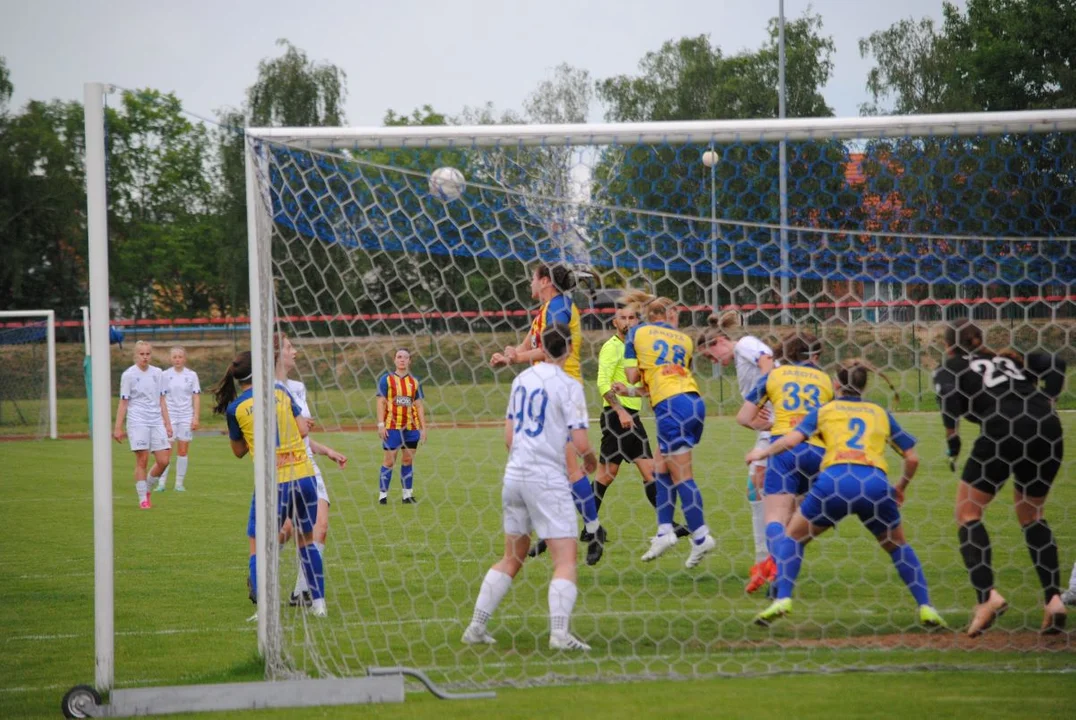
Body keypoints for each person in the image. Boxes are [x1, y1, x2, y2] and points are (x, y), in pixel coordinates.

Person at [747, 360, 947, 630]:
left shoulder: (824, 410)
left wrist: (762, 452)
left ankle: (782, 598)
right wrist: (900, 487)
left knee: (793, 538)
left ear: (836, 384)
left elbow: (790, 440)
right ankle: (926, 607)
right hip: (874, 483)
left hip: (834, 482)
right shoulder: (879, 413)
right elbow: (912, 459)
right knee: (898, 546)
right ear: (865, 385)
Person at [462, 323, 596, 650]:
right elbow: (579, 440)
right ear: (569, 349)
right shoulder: (569, 385)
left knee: (512, 556)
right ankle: (560, 634)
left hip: (515, 475)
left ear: (541, 346)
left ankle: (476, 627)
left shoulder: (521, 380)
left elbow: (508, 437)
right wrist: (590, 460)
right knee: (565, 559)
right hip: (546, 479)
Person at [934, 318, 1067, 636]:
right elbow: (1055, 362)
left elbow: (949, 399)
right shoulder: (1007, 358)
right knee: (1032, 513)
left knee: (968, 512)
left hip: (1002, 426)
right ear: (979, 338)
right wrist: (1049, 396)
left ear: (947, 344)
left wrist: (952, 439)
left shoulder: (950, 366)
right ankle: (1054, 601)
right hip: (1046, 425)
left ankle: (987, 597)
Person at [490, 263, 603, 563]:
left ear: (544, 282)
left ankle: (593, 529)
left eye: (532, 278)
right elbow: (527, 345)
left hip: (562, 389)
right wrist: (509, 356)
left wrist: (519, 356)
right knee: (540, 460)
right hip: (542, 390)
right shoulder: (544, 311)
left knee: (566, 464)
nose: (529, 284)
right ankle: (562, 528)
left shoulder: (560, 308)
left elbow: (551, 350)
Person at [212, 350, 327, 617]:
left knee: (259, 545)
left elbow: (238, 451)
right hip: (304, 474)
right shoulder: (281, 392)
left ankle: (264, 609)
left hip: (273, 482)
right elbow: (302, 430)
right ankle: (319, 604)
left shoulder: (236, 408)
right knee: (307, 540)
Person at [612, 291, 716, 568]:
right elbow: (661, 379)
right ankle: (664, 531)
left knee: (683, 475)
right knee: (660, 466)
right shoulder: (684, 339)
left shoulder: (637, 333)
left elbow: (635, 374)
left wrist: (628, 362)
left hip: (671, 409)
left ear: (647, 315)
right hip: (692, 403)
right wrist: (630, 391)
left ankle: (701, 535)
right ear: (669, 316)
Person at [736, 331, 832, 585]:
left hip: (783, 453)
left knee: (775, 520)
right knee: (797, 523)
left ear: (785, 354)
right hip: (817, 452)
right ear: (816, 356)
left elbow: (744, 418)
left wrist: (772, 426)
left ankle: (778, 573)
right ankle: (781, 573)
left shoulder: (773, 376)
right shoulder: (825, 380)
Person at [697, 311, 776, 593]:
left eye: (710, 355)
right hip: (769, 433)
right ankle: (766, 562)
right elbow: (750, 415)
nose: (713, 361)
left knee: (763, 491)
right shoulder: (741, 360)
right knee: (759, 491)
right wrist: (755, 420)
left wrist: (768, 389)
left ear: (719, 341)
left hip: (780, 431)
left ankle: (768, 563)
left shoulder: (744, 344)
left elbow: (767, 361)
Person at [595, 303, 689, 539]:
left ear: (638, 321)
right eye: (622, 318)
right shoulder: (611, 347)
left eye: (631, 317)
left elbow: (640, 384)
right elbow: (602, 383)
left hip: (631, 416)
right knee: (611, 475)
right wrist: (620, 411)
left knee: (645, 473)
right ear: (614, 322)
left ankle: (666, 525)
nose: (627, 321)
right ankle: (590, 524)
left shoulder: (636, 348)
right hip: (618, 417)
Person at [275, 334, 348, 607]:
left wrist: (327, 451)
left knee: (321, 527)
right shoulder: (265, 390)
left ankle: (301, 591)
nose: (295, 352)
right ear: (275, 354)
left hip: (308, 465)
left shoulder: (298, 387)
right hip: (283, 467)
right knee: (284, 530)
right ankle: (260, 576)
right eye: (289, 347)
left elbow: (303, 434)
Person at [113, 341, 172, 509]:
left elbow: (162, 400)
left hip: (156, 420)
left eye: (148, 354)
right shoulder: (129, 375)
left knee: (164, 460)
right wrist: (118, 427)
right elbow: (123, 402)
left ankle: (146, 488)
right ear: (135, 355)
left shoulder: (158, 373)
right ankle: (143, 499)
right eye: (142, 354)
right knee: (142, 460)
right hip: (137, 420)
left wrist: (167, 423)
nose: (145, 357)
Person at [376, 349, 427, 504]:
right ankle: (383, 495)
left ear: (409, 361)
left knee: (407, 461)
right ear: (394, 360)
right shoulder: (387, 379)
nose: (402, 360)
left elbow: (418, 405)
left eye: (405, 357)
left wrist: (423, 428)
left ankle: (407, 495)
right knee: (389, 461)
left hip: (411, 427)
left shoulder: (415, 381)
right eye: (399, 357)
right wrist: (381, 424)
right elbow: (381, 402)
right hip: (392, 426)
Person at [158, 346, 200, 492]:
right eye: (174, 357)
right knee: (166, 451)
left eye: (180, 357)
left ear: (184, 359)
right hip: (170, 417)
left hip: (186, 416)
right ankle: (161, 483)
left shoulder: (192, 375)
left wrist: (195, 417)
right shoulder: (164, 375)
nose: (177, 359)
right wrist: (163, 418)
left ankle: (179, 484)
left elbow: (196, 396)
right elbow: (161, 397)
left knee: (182, 451)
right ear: (170, 359)